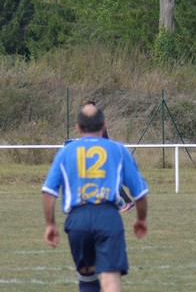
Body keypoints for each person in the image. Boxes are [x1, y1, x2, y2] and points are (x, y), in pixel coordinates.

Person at [42, 102, 149, 292]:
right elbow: (139, 193)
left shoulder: (66, 152)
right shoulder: (118, 150)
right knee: (110, 280)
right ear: (104, 125)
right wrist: (141, 219)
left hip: (78, 220)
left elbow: (49, 192)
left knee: (87, 279)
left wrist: (50, 224)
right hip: (108, 218)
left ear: (78, 127)